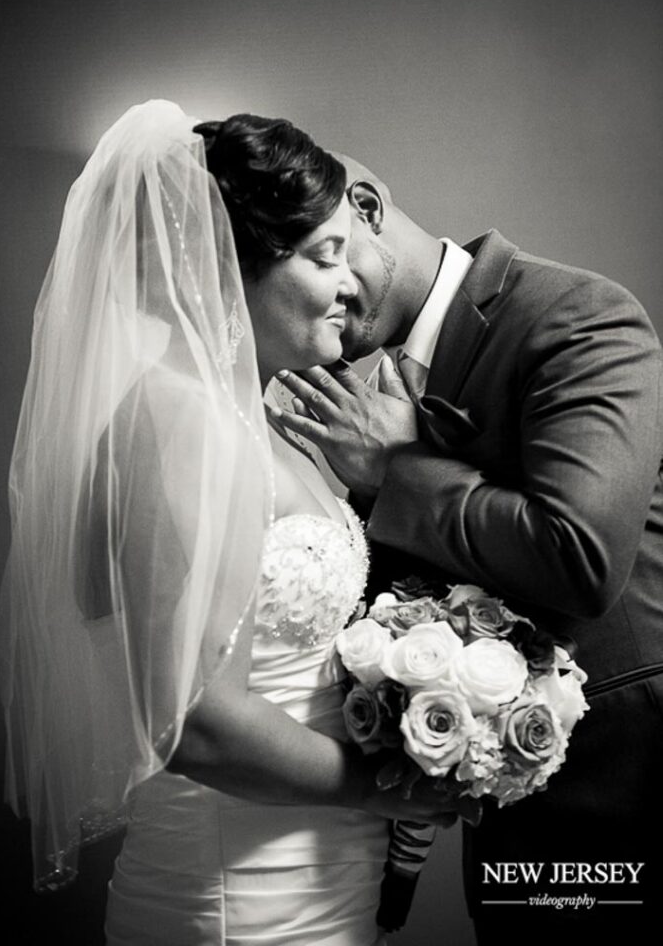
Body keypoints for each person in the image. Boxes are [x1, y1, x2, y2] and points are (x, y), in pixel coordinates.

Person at [0, 103, 455, 946]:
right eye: (325, 257)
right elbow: (195, 723)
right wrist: (387, 788)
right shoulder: (181, 421)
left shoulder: (256, 414)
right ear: (226, 265)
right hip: (236, 899)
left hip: (312, 873)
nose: (352, 284)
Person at [273, 155, 663, 941]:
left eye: (325, 266)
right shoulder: (351, 383)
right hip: (498, 795)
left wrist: (394, 472)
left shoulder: (575, 312)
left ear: (365, 206)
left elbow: (578, 557)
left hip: (626, 784)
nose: (321, 317)